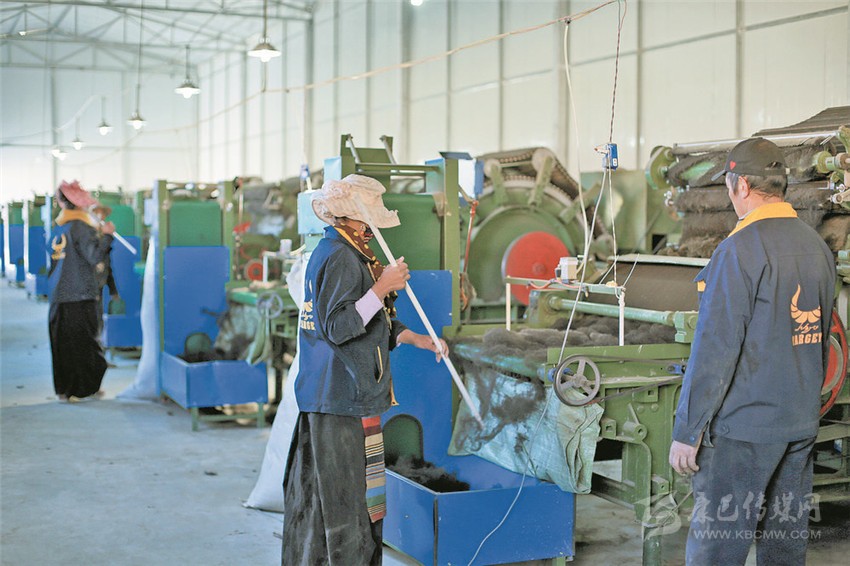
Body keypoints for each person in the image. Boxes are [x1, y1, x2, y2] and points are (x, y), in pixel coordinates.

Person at [668, 138, 835, 565]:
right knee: (784, 548)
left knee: (718, 548)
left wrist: (688, 431)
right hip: (798, 424)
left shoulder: (738, 250)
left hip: (742, 432)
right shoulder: (817, 248)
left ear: (740, 185)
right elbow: (821, 338)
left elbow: (715, 351)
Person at [282, 174, 448, 565]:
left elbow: (370, 322)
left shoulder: (351, 252)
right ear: (353, 217)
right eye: (370, 218)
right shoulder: (339, 256)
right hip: (338, 396)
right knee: (346, 506)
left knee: (353, 500)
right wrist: (381, 286)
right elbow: (339, 327)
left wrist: (415, 338)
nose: (373, 227)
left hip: (349, 396)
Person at [48, 180, 116, 402]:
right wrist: (107, 235)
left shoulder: (58, 227)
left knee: (62, 345)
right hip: (80, 296)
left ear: (61, 203)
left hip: (58, 296)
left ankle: (64, 390)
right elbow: (95, 257)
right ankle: (85, 389)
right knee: (86, 344)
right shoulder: (81, 227)